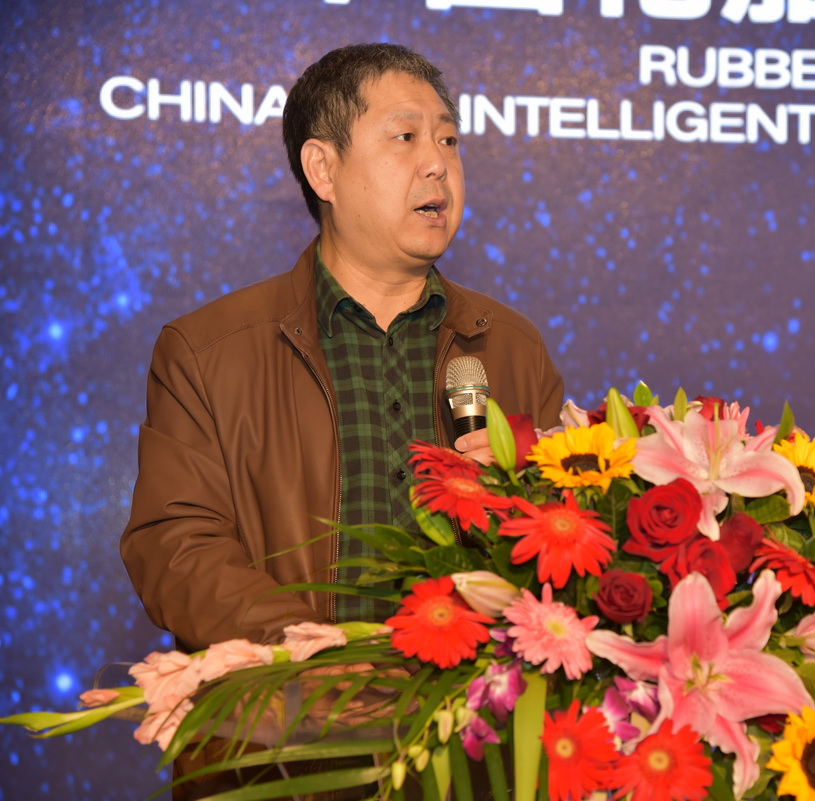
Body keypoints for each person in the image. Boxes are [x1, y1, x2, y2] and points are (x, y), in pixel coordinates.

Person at [119, 43, 564, 799]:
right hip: (276, 751)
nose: (438, 165)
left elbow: (554, 544)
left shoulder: (509, 347)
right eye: (406, 137)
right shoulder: (208, 349)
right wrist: (316, 656)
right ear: (323, 170)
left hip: (468, 754)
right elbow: (175, 546)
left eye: (449, 140)